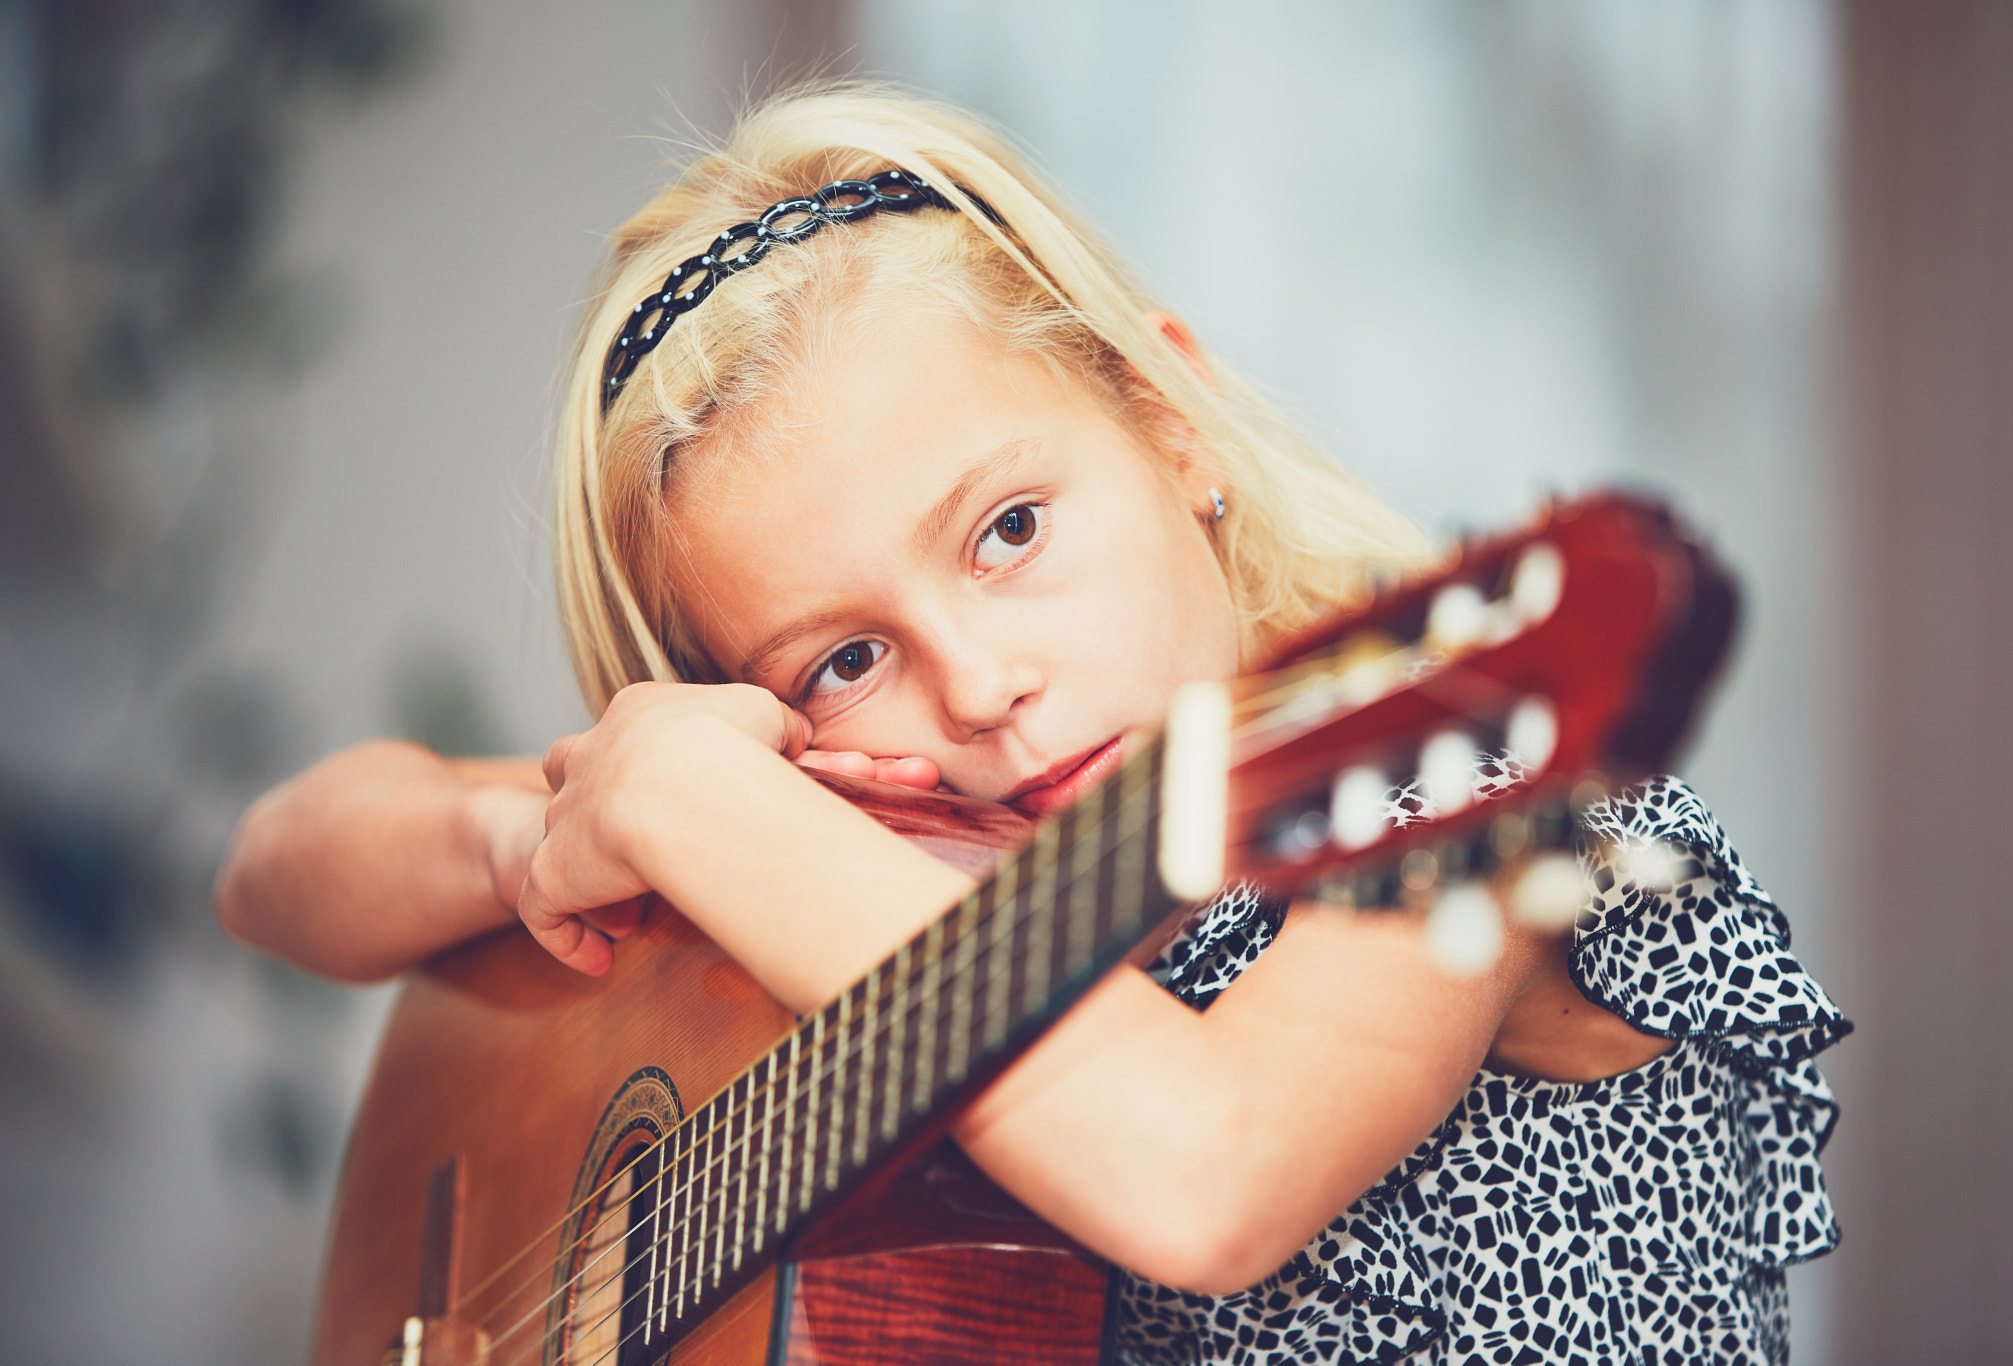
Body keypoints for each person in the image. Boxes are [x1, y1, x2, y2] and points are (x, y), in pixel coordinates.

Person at [216, 85, 1849, 1365]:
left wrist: (704, 818)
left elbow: (1210, 1171)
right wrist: (538, 832)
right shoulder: (897, 830)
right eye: (841, 660)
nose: (977, 686)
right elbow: (280, 870)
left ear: (1170, 420)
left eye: (1008, 531)